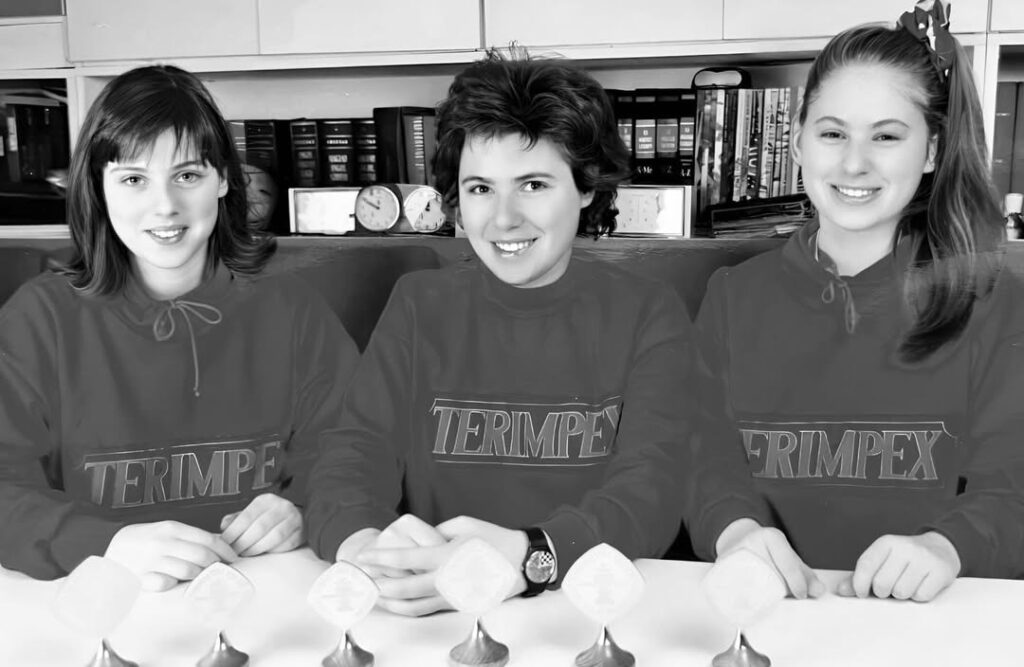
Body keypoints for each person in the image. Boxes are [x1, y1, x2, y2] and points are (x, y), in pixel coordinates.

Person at [305, 50, 724, 616]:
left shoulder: (647, 310)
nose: (502, 218)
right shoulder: (418, 304)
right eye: (480, 189)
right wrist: (364, 547)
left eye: (532, 185)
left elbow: (651, 490)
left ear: (585, 188)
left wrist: (532, 555)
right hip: (436, 604)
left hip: (587, 607)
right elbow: (352, 455)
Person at [690, 0, 1024, 603]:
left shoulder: (997, 304)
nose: (854, 162)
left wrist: (947, 546)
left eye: (887, 137)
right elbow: (705, 459)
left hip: (938, 621)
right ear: (797, 143)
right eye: (833, 132)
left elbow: (1012, 488)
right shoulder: (732, 297)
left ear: (930, 152)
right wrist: (734, 528)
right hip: (773, 613)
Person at [0, 65, 359, 590]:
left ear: (225, 180)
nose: (164, 205)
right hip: (104, 598)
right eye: (133, 179)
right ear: (98, 190)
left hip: (264, 590)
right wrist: (107, 543)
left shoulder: (293, 310)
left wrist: (301, 504)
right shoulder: (39, 320)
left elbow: (350, 453)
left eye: (187, 175)